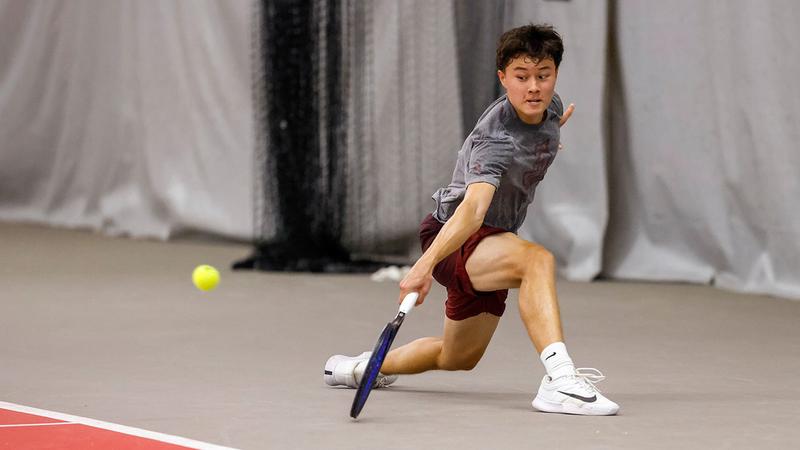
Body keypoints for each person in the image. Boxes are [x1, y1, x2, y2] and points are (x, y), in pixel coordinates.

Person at [325, 23, 619, 416]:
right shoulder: (494, 140)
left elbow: (538, 130)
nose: (534, 87)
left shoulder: (548, 108)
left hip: (492, 242)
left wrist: (548, 136)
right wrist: (422, 267)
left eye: (543, 75)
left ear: (554, 74)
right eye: (521, 77)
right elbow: (473, 210)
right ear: (503, 78)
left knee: (457, 356)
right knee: (536, 260)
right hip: (456, 235)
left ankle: (359, 369)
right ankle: (560, 379)